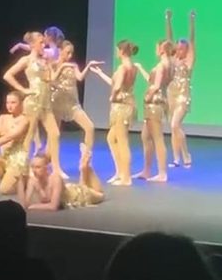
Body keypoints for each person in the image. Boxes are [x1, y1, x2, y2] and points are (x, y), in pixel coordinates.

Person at [3, 31, 65, 177]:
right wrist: (23, 90)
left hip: (46, 103)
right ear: (32, 45)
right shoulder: (27, 60)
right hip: (33, 102)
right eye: (40, 43)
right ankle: (25, 167)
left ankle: (56, 168)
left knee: (55, 134)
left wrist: (52, 71)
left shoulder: (45, 61)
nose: (44, 45)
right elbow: (7, 75)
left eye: (44, 42)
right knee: (29, 136)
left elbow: (50, 80)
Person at [89, 40, 139, 186]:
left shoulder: (124, 68)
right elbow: (114, 82)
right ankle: (120, 171)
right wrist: (100, 73)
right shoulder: (133, 67)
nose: (116, 52)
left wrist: (113, 95)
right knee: (112, 138)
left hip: (121, 107)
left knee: (122, 141)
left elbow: (117, 86)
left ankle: (126, 177)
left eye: (118, 50)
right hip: (126, 104)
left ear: (122, 51)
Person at [49, 40, 103, 150]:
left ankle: (86, 157)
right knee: (54, 134)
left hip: (72, 103)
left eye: (71, 53)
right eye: (68, 52)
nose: (70, 55)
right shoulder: (52, 64)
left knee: (90, 127)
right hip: (57, 101)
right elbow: (51, 80)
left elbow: (80, 77)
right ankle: (48, 159)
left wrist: (89, 65)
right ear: (60, 51)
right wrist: (62, 67)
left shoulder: (73, 65)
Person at [133, 40, 174, 182]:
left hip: (154, 104)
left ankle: (162, 173)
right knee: (145, 136)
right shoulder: (169, 65)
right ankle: (146, 170)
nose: (156, 50)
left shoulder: (162, 65)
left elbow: (155, 86)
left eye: (157, 47)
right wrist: (140, 68)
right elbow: (152, 81)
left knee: (157, 138)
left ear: (162, 49)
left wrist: (148, 96)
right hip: (156, 104)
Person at [0, 91, 32, 196]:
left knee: (4, 190)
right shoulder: (2, 118)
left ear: (21, 103)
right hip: (4, 157)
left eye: (13, 102)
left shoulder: (25, 119)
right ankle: (11, 178)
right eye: (8, 102)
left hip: (17, 161)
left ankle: (24, 182)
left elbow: (10, 136)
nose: (9, 106)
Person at [22, 147, 104, 211]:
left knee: (101, 195)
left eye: (38, 167)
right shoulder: (33, 180)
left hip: (79, 195)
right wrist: (20, 181)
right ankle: (83, 168)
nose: (34, 170)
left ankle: (86, 168)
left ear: (46, 168)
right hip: (70, 189)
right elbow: (25, 204)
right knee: (82, 185)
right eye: (32, 167)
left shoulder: (55, 178)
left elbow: (53, 206)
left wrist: (33, 206)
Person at [165, 9, 196, 168]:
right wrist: (168, 19)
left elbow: (192, 40)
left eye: (182, 49)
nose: (179, 51)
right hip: (171, 94)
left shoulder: (188, 61)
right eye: (177, 49)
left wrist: (191, 21)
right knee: (174, 127)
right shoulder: (173, 59)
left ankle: (186, 155)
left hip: (183, 96)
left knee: (174, 125)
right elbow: (169, 40)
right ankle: (177, 158)